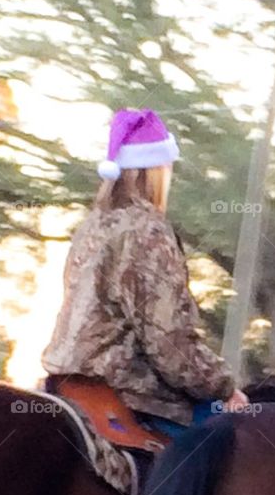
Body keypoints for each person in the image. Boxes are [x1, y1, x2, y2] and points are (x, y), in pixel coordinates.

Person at [42, 109, 248, 437]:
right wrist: (224, 387)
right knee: (232, 441)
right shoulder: (147, 229)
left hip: (66, 384)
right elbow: (169, 343)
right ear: (155, 170)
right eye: (167, 168)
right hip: (128, 392)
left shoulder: (93, 224)